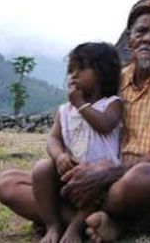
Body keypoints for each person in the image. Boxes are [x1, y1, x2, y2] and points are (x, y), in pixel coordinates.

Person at [0, 0, 150, 242]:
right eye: (141, 31)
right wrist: (74, 165)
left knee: (145, 177)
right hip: (94, 175)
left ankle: (94, 222)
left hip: (141, 184)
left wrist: (107, 173)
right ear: (130, 40)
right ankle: (97, 223)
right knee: (8, 183)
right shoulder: (112, 80)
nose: (148, 38)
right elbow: (78, 118)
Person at [34, 42, 123, 243]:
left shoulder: (112, 104)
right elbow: (53, 138)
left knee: (94, 188)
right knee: (41, 170)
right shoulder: (64, 111)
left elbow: (105, 125)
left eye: (81, 69)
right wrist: (59, 156)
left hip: (100, 178)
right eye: (70, 70)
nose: (73, 75)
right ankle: (52, 226)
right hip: (71, 172)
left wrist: (81, 104)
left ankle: (74, 229)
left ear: (103, 73)